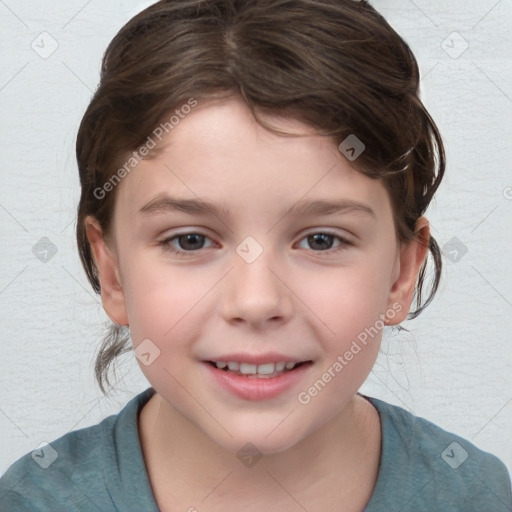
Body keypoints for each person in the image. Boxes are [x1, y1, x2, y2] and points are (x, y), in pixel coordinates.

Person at [0, 1, 510, 510]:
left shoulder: (477, 495)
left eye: (321, 240)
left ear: (401, 274)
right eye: (190, 240)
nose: (257, 300)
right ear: (112, 274)